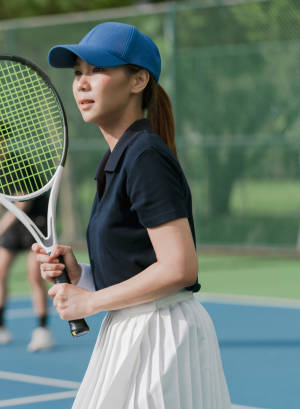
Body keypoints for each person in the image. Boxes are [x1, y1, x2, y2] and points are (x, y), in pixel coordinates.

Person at [32, 22, 231, 408]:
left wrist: (90, 303)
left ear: (138, 80)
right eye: (77, 73)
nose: (82, 83)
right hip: (135, 329)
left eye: (98, 70)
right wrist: (84, 276)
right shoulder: (118, 159)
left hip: (160, 336)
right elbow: (144, 263)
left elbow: (179, 268)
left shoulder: (145, 156)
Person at [0, 121, 54, 352]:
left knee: (35, 276)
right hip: (14, 222)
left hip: (35, 222)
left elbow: (23, 201)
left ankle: (42, 331)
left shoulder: (17, 163)